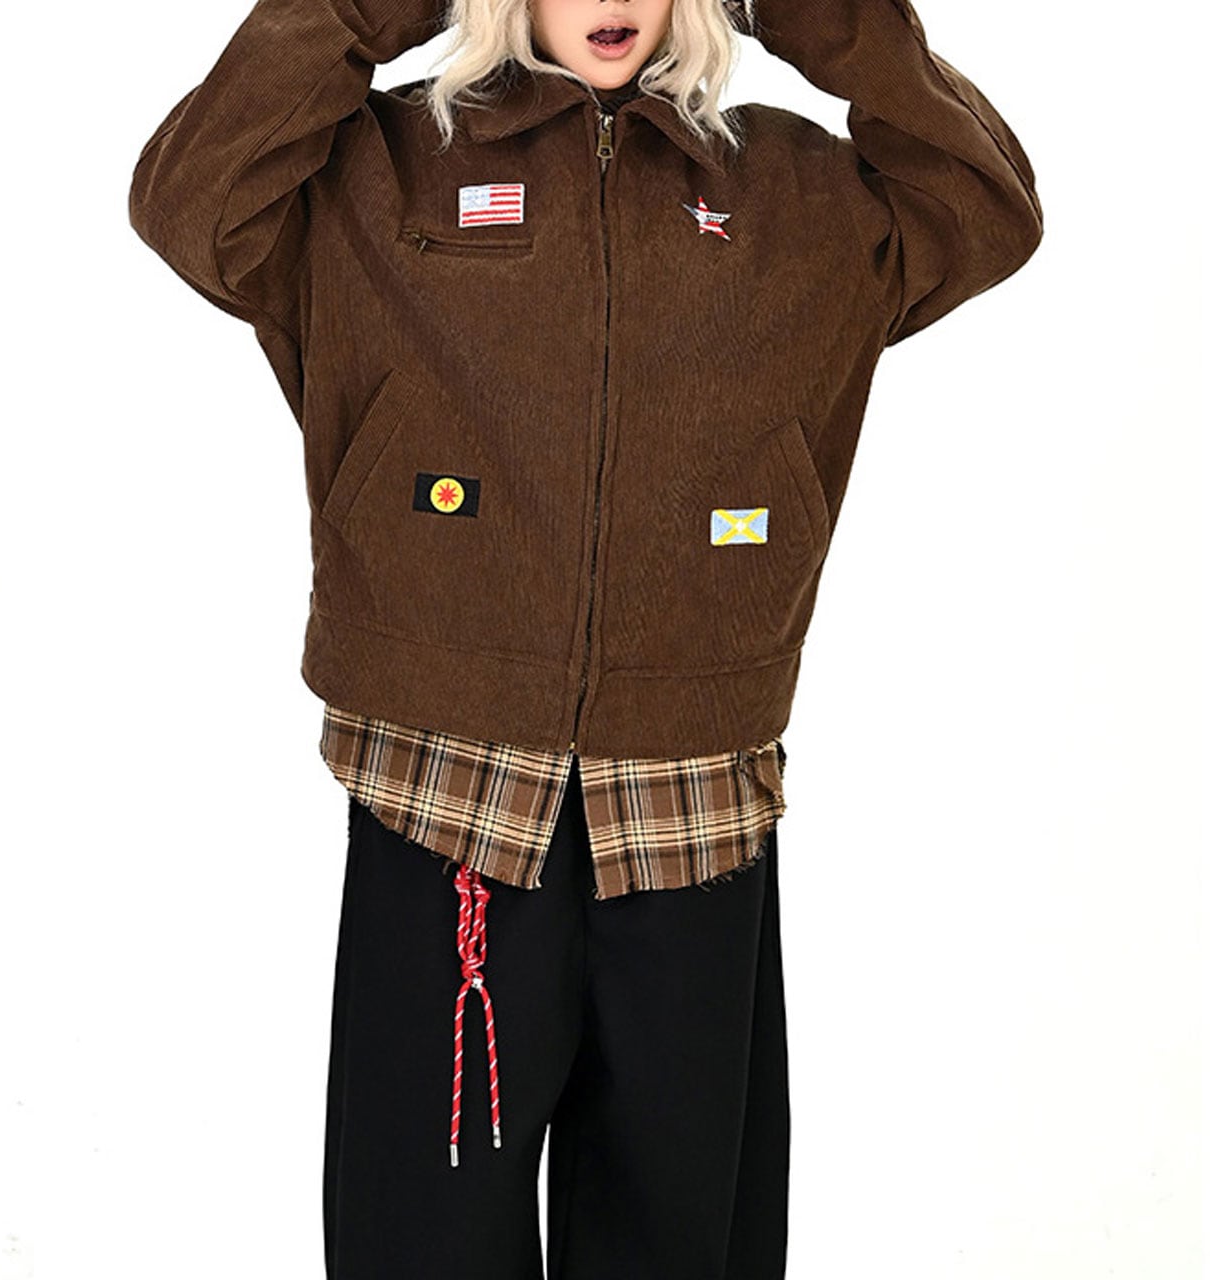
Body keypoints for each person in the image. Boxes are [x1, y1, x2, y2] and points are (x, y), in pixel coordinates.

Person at [127, 0, 1042, 1273]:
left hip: (689, 800)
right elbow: (191, 200)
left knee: (679, 1241)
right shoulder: (384, 169)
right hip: (444, 800)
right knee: (422, 1242)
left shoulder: (786, 190)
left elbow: (984, 205)